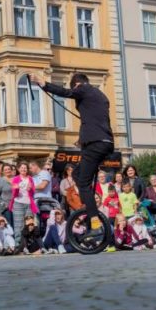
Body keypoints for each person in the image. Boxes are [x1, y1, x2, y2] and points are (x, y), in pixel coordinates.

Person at [31, 72, 114, 223]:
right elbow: (94, 120)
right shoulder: (101, 96)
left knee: (82, 182)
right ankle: (89, 207)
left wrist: (43, 83)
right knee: (77, 174)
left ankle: (94, 221)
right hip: (105, 142)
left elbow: (66, 93)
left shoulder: (83, 88)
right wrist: (82, 139)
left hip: (95, 144)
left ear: (77, 84)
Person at [10, 162, 35, 246]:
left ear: (27, 169)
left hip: (28, 203)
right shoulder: (15, 178)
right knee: (19, 224)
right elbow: (13, 192)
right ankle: (18, 243)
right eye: (22, 168)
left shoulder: (30, 178)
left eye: (25, 168)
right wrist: (16, 188)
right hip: (18, 203)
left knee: (29, 224)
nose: (23, 169)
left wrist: (30, 189)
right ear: (18, 169)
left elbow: (33, 191)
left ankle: (28, 242)